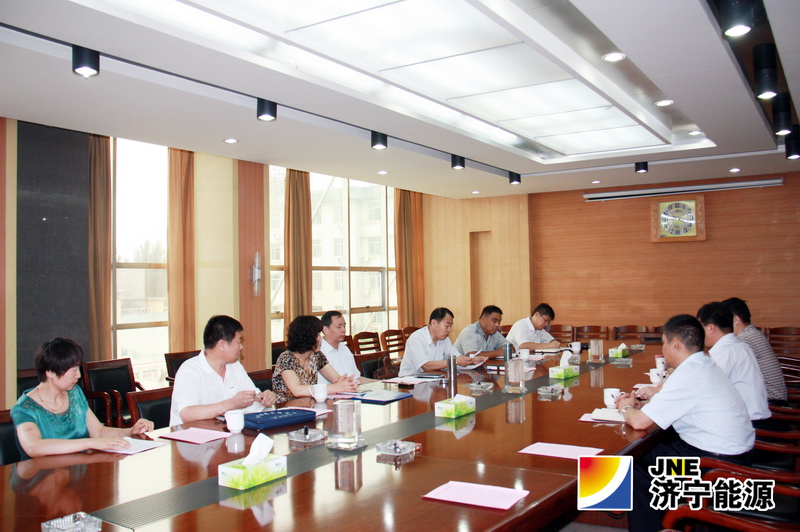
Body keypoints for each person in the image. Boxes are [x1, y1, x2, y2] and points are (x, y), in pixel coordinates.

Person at [616, 315, 754, 532]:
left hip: (712, 466)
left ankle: (622, 513)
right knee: (647, 452)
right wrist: (643, 406)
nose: (663, 349)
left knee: (627, 463)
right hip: (728, 457)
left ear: (676, 344)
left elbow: (639, 422)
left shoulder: (689, 373)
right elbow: (677, 403)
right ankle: (653, 516)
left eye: (663, 343)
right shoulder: (702, 364)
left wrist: (625, 408)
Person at [12, 338, 154, 460]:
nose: (78, 375)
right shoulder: (24, 408)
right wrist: (90, 443)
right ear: (50, 372)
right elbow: (34, 447)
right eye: (73, 370)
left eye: (78, 369)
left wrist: (130, 431)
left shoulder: (74, 393)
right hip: (42, 477)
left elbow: (98, 432)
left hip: (78, 469)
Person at [170, 315, 277, 426]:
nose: (241, 347)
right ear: (222, 345)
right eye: (238, 342)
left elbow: (253, 396)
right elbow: (187, 414)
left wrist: (265, 397)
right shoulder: (190, 370)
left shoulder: (234, 366)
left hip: (224, 430)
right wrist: (231, 404)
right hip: (191, 434)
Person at [696, 302, 770, 422]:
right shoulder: (739, 346)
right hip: (755, 418)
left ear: (710, 328)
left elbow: (703, 389)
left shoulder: (725, 352)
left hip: (749, 424)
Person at [272, 315, 360, 402]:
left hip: (310, 405)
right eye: (318, 335)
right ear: (307, 338)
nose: (321, 339)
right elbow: (297, 390)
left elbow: (336, 379)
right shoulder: (286, 358)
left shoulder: (316, 356)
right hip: (286, 407)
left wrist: (345, 382)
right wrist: (335, 387)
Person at [722, 297, 787, 404]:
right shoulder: (753, 333)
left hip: (769, 402)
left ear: (735, 320)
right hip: (770, 399)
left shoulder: (744, 339)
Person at [399, 308, 485, 377]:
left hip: (433, 379)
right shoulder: (417, 338)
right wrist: (454, 362)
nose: (449, 330)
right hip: (409, 383)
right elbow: (426, 366)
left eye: (450, 326)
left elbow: (457, 356)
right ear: (434, 323)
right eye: (447, 326)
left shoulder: (444, 339)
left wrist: (471, 360)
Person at [317, 311, 371, 385]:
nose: (344, 330)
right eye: (339, 327)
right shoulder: (318, 352)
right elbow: (339, 383)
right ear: (325, 329)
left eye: (344, 326)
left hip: (352, 389)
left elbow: (357, 379)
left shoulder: (344, 349)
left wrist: (381, 383)